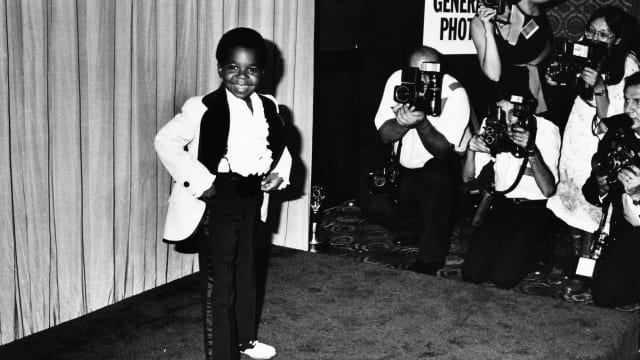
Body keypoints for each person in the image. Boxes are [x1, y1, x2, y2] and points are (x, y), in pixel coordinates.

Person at [155, 27, 291, 360]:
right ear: (220, 68)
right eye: (233, 68)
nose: (242, 77)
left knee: (247, 273)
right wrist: (201, 181)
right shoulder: (201, 108)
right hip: (217, 201)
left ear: (262, 72)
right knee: (221, 283)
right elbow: (165, 141)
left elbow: (280, 147)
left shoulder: (268, 106)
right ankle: (222, 355)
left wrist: (279, 175)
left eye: (252, 69)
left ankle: (245, 340)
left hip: (251, 199)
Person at [546, 6, 640, 283]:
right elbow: (572, 90)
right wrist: (557, 78)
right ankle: (575, 253)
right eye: (590, 31)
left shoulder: (628, 64)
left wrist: (598, 85)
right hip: (578, 126)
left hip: (602, 135)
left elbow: (618, 117)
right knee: (571, 188)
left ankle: (589, 262)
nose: (594, 38)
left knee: (596, 194)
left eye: (603, 34)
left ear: (618, 39)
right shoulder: (585, 51)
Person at [373, 46, 470, 275]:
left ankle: (431, 257)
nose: (422, 79)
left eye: (430, 72)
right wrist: (402, 123)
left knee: (437, 175)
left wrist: (422, 123)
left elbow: (443, 152)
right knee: (375, 208)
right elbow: (384, 135)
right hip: (403, 167)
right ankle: (415, 223)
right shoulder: (398, 80)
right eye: (415, 72)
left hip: (437, 166)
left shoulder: (455, 92)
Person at [461, 88, 560, 289]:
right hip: (501, 204)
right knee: (472, 273)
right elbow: (467, 179)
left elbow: (548, 190)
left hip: (533, 207)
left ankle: (537, 246)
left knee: (503, 277)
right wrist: (471, 150)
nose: (506, 119)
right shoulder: (493, 123)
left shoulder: (546, 128)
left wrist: (531, 150)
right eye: (500, 111)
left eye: (512, 112)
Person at [582, 71, 640, 308]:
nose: (629, 108)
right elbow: (590, 191)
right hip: (625, 230)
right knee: (605, 296)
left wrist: (637, 195)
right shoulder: (619, 135)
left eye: (637, 101)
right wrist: (601, 185)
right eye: (627, 100)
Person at [471, 0, 554, 115]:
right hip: (504, 94)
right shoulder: (479, 23)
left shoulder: (525, 4)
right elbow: (494, 75)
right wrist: (488, 30)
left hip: (541, 84)